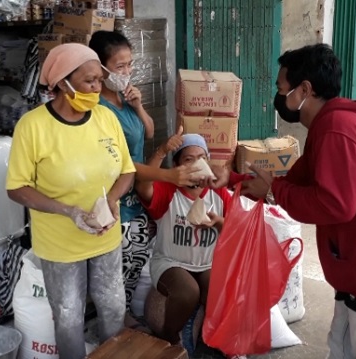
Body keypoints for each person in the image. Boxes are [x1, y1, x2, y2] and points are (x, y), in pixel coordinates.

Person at [212, 44, 356, 359]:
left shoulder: (337, 129)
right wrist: (234, 180)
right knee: (341, 346)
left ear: (305, 89)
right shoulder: (327, 126)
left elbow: (335, 205)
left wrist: (273, 190)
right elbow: (293, 180)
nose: (279, 97)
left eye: (282, 88)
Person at [5, 43, 136, 359]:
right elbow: (16, 188)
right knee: (67, 314)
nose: (97, 87)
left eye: (99, 80)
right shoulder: (33, 126)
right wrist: (68, 211)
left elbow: (126, 171)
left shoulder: (105, 117)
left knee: (113, 305)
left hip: (105, 236)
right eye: (89, 81)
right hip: (60, 244)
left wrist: (113, 200)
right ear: (63, 83)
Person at [88, 30, 201, 329]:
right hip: (116, 202)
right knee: (116, 271)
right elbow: (123, 165)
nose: (126, 72)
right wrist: (168, 174)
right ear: (100, 68)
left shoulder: (125, 100)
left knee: (133, 265)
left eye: (129, 64)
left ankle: (122, 317)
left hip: (136, 199)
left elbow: (148, 132)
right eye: (120, 66)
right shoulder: (98, 110)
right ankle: (113, 325)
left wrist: (138, 105)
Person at [136, 134, 240, 358]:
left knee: (221, 290)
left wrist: (219, 222)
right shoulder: (167, 190)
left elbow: (235, 231)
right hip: (171, 262)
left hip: (207, 263)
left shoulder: (219, 193)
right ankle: (169, 338)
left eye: (202, 158)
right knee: (187, 292)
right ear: (176, 166)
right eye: (188, 160)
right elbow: (143, 185)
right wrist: (161, 151)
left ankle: (208, 340)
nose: (196, 165)